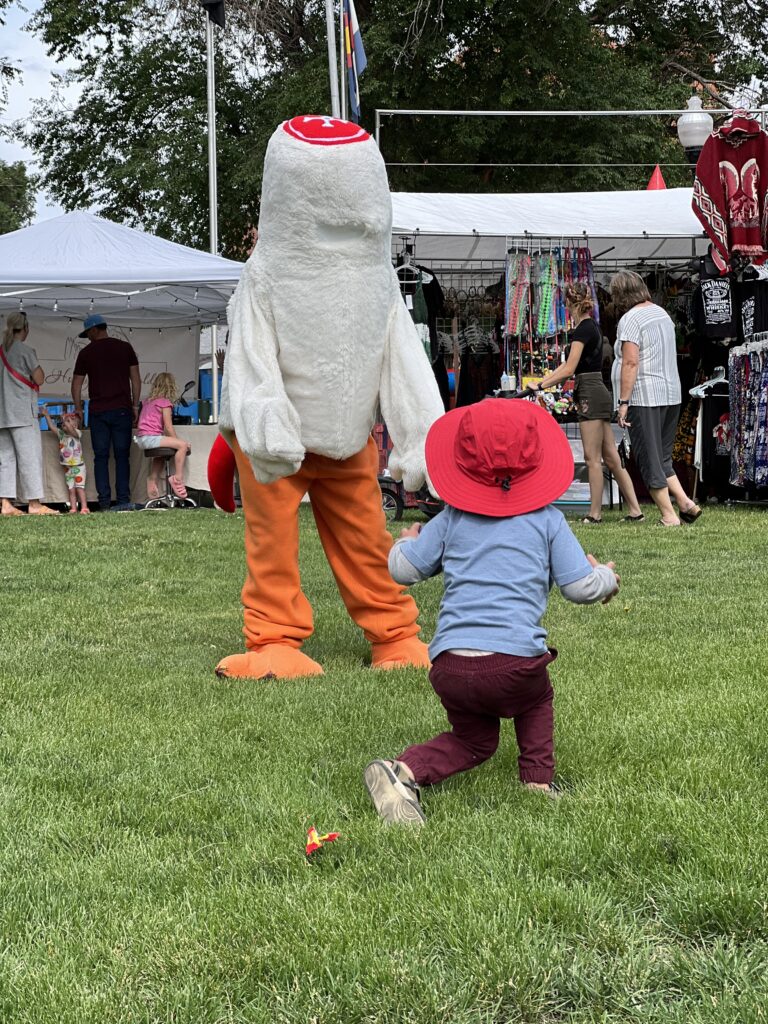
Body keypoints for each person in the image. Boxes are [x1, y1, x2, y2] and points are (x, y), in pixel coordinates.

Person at [363, 398, 620, 826]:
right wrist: (606, 577)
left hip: (450, 667)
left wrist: (406, 540)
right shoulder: (547, 520)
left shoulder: (451, 519)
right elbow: (580, 587)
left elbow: (402, 571)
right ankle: (537, 781)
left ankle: (402, 772)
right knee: (536, 697)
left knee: (475, 741)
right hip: (515, 665)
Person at [530, 282, 644, 524]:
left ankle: (595, 514)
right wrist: (543, 382)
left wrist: (540, 385)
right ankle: (636, 511)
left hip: (590, 393)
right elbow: (567, 368)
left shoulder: (582, 330)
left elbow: (569, 368)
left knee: (593, 458)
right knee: (611, 458)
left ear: (569, 305)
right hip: (598, 390)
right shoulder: (592, 326)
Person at [609, 271, 702, 527]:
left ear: (622, 295)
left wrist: (623, 402)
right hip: (670, 393)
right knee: (662, 458)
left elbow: (630, 362)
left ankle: (668, 515)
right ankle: (686, 504)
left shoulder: (630, 319)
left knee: (649, 458)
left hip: (644, 396)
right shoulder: (662, 314)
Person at [71, 314, 141, 511]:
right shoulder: (125, 348)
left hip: (98, 412)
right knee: (122, 456)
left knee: (100, 457)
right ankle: (123, 501)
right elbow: (135, 379)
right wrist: (135, 405)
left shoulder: (86, 353)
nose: (88, 337)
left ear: (94, 329)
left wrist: (78, 408)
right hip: (122, 410)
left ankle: (103, 502)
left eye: (88, 333)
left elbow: (76, 384)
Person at [0, 312, 58, 516]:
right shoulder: (25, 351)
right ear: (25, 329)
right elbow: (39, 378)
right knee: (30, 458)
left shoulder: (1, 350)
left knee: (5, 459)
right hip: (23, 413)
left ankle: (6, 504)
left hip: (2, 414)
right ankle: (34, 503)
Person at [134, 372, 192, 500]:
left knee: (161, 455)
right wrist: (179, 442)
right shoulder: (164, 403)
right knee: (182, 446)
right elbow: (168, 427)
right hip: (152, 438)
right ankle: (177, 478)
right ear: (171, 387)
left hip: (142, 439)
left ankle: (152, 478)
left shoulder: (147, 402)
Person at [41, 405, 89, 514]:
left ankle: (84, 507)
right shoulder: (62, 435)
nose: (65, 423)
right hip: (67, 468)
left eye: (68, 421)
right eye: (64, 422)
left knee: (80, 488)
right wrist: (47, 416)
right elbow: (53, 427)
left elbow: (71, 429)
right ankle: (73, 508)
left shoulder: (77, 434)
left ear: (75, 425)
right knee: (71, 489)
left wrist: (64, 419)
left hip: (78, 467)